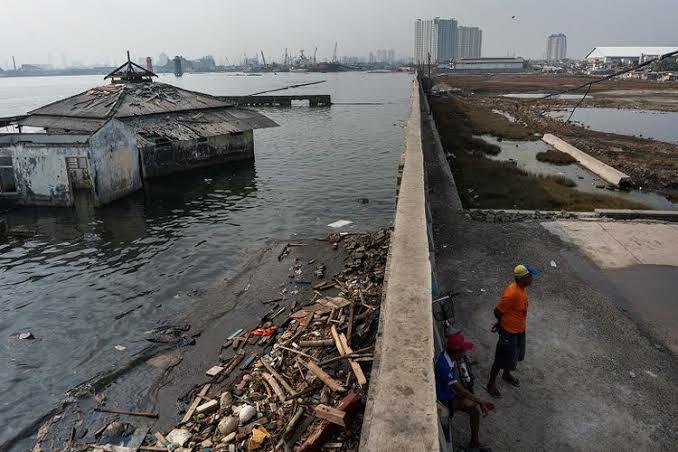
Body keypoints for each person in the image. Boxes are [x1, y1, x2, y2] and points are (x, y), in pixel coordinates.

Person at [486, 264, 538, 398]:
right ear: (522, 279)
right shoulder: (512, 293)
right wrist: (500, 323)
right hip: (509, 332)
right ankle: (490, 384)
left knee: (515, 355)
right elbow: (497, 311)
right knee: (500, 358)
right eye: (530, 277)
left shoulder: (521, 289)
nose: (532, 279)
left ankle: (506, 374)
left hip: (519, 330)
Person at [436, 333, 494, 452]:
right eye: (463, 351)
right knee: (474, 408)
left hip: (448, 394)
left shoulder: (446, 356)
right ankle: (474, 444)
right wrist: (480, 401)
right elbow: (461, 390)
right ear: (457, 352)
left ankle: (475, 443)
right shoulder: (444, 366)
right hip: (444, 401)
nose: (464, 354)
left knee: (474, 408)